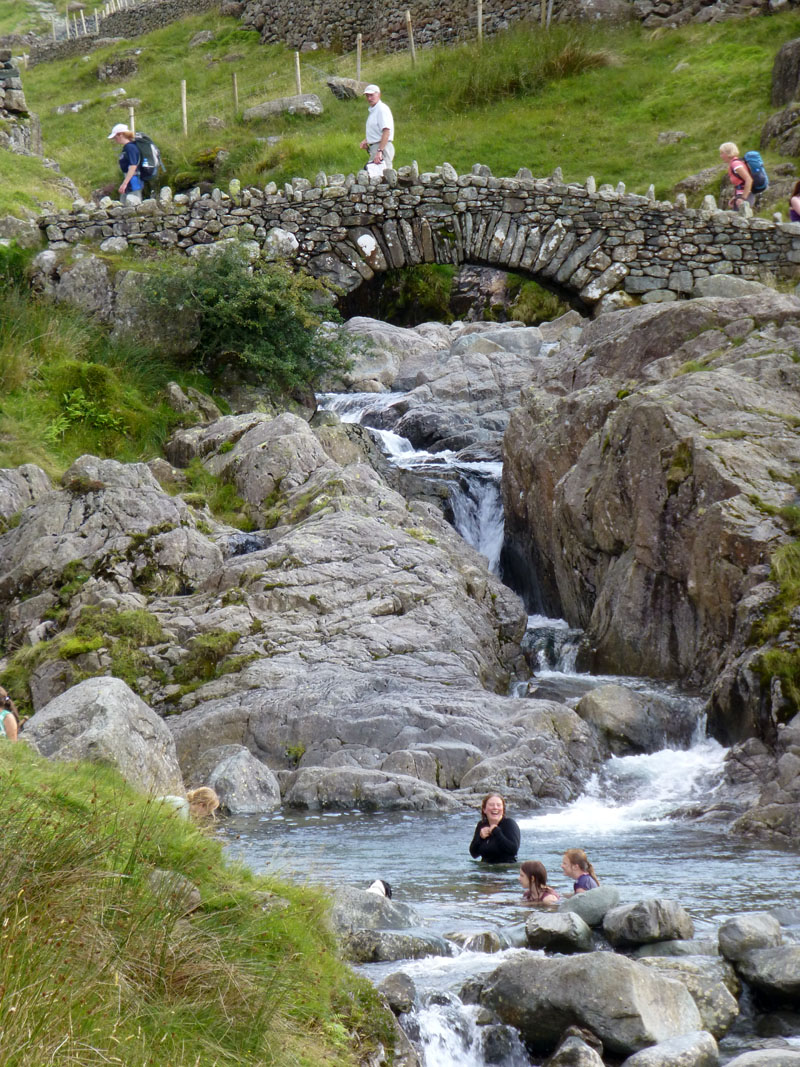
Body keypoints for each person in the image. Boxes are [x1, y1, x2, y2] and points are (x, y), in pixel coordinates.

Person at [469, 793, 520, 864]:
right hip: (485, 869)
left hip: (505, 869)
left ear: (503, 809)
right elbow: (474, 854)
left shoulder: (509, 824)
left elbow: (513, 850)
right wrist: (480, 838)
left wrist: (497, 832)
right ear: (484, 809)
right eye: (491, 805)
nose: (495, 807)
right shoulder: (482, 824)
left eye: (498, 805)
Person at [359, 84, 394, 171]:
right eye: (367, 96)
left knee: (381, 176)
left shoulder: (381, 109)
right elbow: (377, 130)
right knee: (372, 175)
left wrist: (380, 151)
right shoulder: (374, 110)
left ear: (379, 94)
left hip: (382, 147)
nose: (369, 98)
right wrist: (367, 140)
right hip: (376, 147)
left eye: (371, 95)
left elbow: (386, 131)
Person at [108, 123, 144, 205]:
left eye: (115, 137)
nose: (114, 139)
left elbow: (133, 166)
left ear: (121, 135)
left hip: (133, 181)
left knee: (134, 204)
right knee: (123, 205)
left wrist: (124, 183)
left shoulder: (130, 148)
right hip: (130, 180)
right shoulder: (128, 147)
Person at [719, 142, 753, 212]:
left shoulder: (736, 164)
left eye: (722, 153)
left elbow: (749, 179)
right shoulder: (736, 163)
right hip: (741, 195)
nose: (720, 156)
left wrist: (743, 198)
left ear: (728, 153)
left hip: (745, 196)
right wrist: (735, 197)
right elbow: (740, 182)